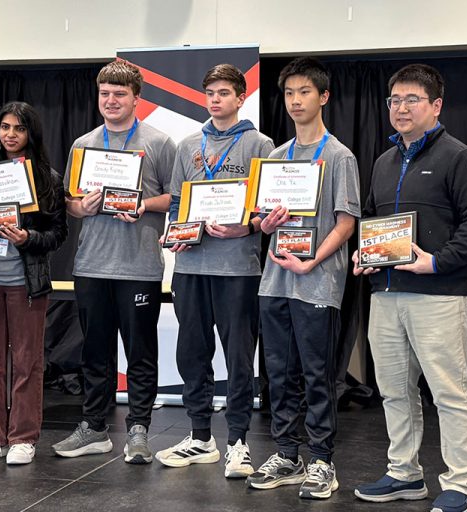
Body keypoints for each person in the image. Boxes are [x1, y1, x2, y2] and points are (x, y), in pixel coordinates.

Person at [352, 64, 467, 512]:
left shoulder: (459, 156)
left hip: (440, 295)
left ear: (436, 106)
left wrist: (438, 261)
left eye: (412, 99)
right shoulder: (383, 161)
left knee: (450, 393)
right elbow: (373, 220)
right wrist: (364, 254)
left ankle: (461, 485)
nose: (401, 108)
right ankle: (404, 473)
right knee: (395, 390)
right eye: (394, 100)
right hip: (386, 294)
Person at [245, 57, 362, 500]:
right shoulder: (275, 157)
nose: (295, 101)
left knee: (317, 375)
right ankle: (287, 454)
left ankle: (322, 460)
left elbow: (346, 224)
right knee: (278, 373)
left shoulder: (339, 156)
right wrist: (266, 223)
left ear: (323, 96)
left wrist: (312, 261)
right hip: (275, 280)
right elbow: (259, 220)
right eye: (289, 93)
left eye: (305, 92)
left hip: (317, 281)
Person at [52, 60, 177, 464]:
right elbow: (70, 202)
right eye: (104, 93)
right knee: (95, 352)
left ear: (136, 98)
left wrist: (143, 205)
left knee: (140, 352)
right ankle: (94, 427)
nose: (111, 100)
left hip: (139, 266)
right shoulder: (83, 143)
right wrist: (81, 207)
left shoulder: (159, 142)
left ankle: (138, 429)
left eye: (119, 94)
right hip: (91, 264)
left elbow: (176, 197)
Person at [154, 64, 274, 477]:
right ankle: (200, 436)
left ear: (241, 97)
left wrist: (248, 227)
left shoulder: (260, 144)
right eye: (210, 93)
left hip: (237, 269)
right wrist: (177, 232)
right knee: (192, 352)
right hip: (190, 267)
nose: (216, 100)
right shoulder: (188, 144)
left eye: (224, 92)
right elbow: (176, 203)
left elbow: (267, 208)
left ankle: (238, 442)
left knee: (239, 357)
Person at [0, 102, 68, 465]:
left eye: (19, 128)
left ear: (30, 133)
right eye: (5, 127)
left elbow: (58, 234)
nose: (11, 134)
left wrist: (27, 238)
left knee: (27, 363)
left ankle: (23, 437)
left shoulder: (47, 178)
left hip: (26, 283)